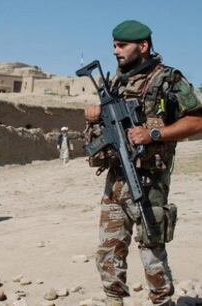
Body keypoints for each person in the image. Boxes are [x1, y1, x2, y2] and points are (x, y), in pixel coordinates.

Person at [84, 20, 202, 306]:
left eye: (122, 45)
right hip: (115, 179)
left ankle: (162, 301)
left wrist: (154, 133)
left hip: (150, 181)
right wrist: (95, 115)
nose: (115, 51)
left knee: (152, 247)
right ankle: (114, 300)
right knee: (109, 249)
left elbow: (198, 121)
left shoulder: (169, 79)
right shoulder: (115, 81)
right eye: (113, 45)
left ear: (144, 46)